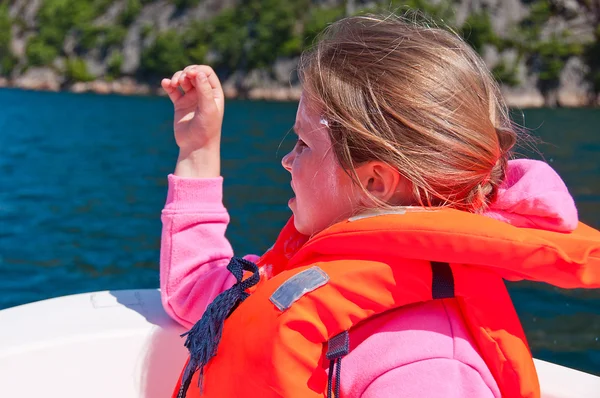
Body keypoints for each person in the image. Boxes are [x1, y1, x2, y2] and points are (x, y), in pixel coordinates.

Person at [158, 14, 600, 398]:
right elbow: (199, 292)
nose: (287, 159)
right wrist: (198, 150)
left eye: (303, 143)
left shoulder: (427, 365)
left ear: (375, 182)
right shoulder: (302, 275)